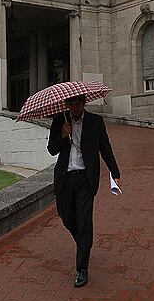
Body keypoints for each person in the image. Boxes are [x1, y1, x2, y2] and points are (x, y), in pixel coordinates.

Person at [47, 94, 120, 288]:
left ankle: (82, 269)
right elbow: (51, 150)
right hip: (65, 178)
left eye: (77, 104)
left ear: (83, 103)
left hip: (85, 179)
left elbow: (105, 147)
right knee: (66, 215)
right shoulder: (59, 120)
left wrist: (114, 171)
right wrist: (63, 136)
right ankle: (83, 243)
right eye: (70, 104)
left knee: (85, 221)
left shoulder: (95, 122)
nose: (74, 108)